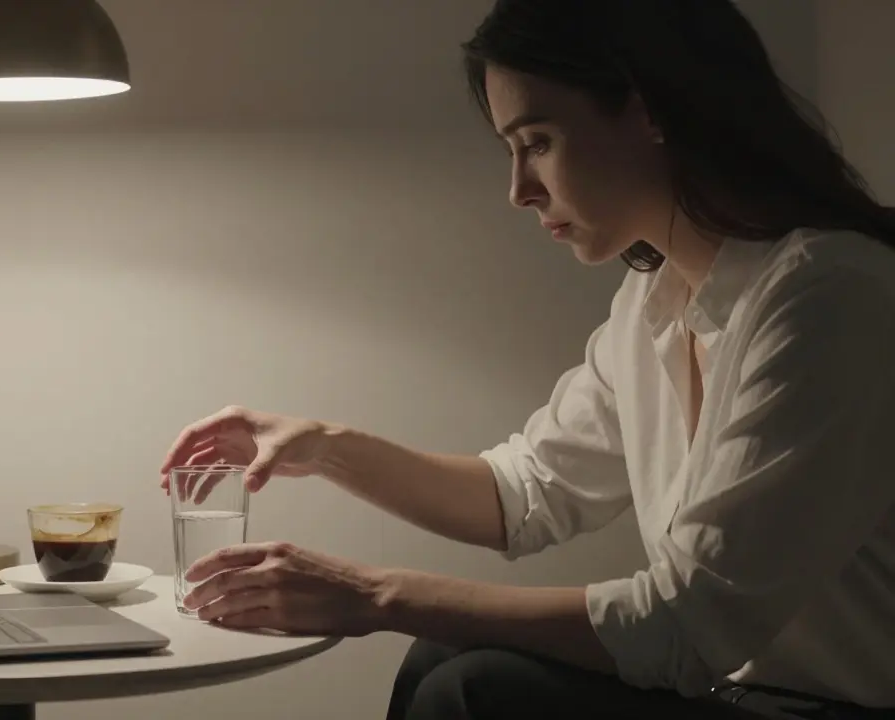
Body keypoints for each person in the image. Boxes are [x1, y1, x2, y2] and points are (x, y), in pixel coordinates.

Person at [158, 0, 895, 718]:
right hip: (729, 696)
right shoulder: (655, 302)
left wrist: (372, 594)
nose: (518, 190)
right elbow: (523, 493)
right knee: (441, 658)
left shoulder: (829, 297)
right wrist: (323, 447)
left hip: (822, 706)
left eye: (537, 141)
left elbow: (687, 624)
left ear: (651, 111)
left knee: (473, 689)